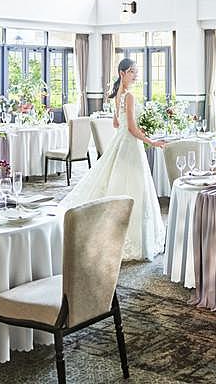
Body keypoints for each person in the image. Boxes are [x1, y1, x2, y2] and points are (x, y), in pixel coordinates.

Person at [60, 58, 166, 261]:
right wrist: (151, 141)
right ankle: (134, 238)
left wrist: (135, 127)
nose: (135, 75)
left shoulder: (118, 95)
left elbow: (117, 124)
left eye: (136, 71)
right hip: (130, 145)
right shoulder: (130, 96)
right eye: (132, 71)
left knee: (117, 183)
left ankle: (110, 231)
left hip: (121, 142)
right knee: (136, 186)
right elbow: (131, 128)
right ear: (122, 73)